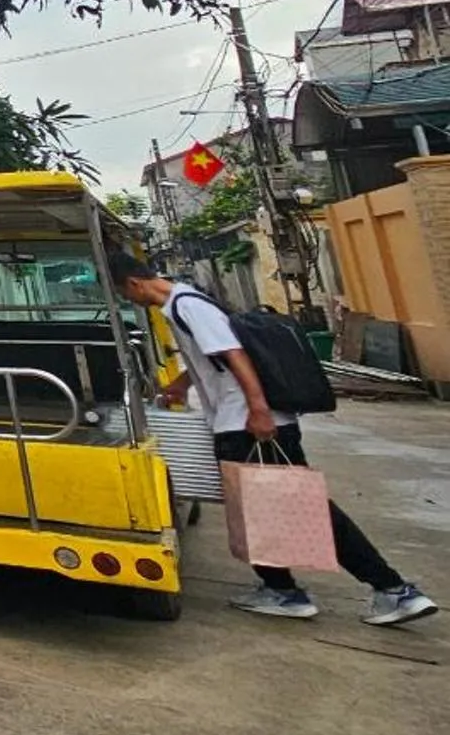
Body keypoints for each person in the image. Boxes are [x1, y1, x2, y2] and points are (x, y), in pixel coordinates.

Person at [112, 258, 434, 626]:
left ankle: (391, 589)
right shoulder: (188, 303)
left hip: (247, 424)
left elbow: (235, 355)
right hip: (245, 420)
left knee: (301, 507)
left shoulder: (187, 305)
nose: (128, 298)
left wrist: (258, 409)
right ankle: (282, 589)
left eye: (124, 292)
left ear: (135, 283)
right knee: (256, 511)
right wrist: (182, 385)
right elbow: (215, 357)